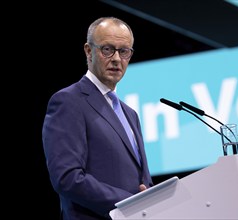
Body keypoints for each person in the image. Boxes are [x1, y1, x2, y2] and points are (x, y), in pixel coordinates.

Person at [42, 17, 154, 220]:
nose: (116, 59)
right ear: (88, 51)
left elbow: (142, 180)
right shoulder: (68, 101)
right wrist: (129, 203)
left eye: (124, 51)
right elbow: (67, 178)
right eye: (107, 49)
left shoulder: (130, 114)